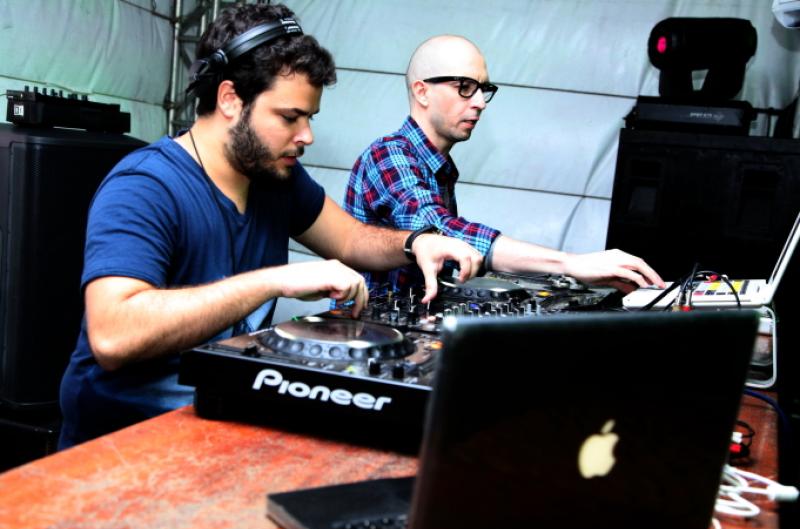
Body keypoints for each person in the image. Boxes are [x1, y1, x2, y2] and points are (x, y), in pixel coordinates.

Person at [58, 6, 482, 449]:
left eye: (310, 118)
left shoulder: (274, 177)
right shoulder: (145, 186)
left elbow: (350, 239)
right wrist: (275, 280)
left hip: (223, 426)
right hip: (124, 448)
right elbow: (113, 335)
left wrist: (416, 243)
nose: (306, 136)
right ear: (230, 99)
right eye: (289, 117)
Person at [344, 35, 664, 295]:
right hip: (369, 337)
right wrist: (569, 263)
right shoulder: (388, 156)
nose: (480, 103)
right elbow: (441, 234)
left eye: (483, 89)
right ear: (422, 91)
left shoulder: (436, 165)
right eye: (464, 87)